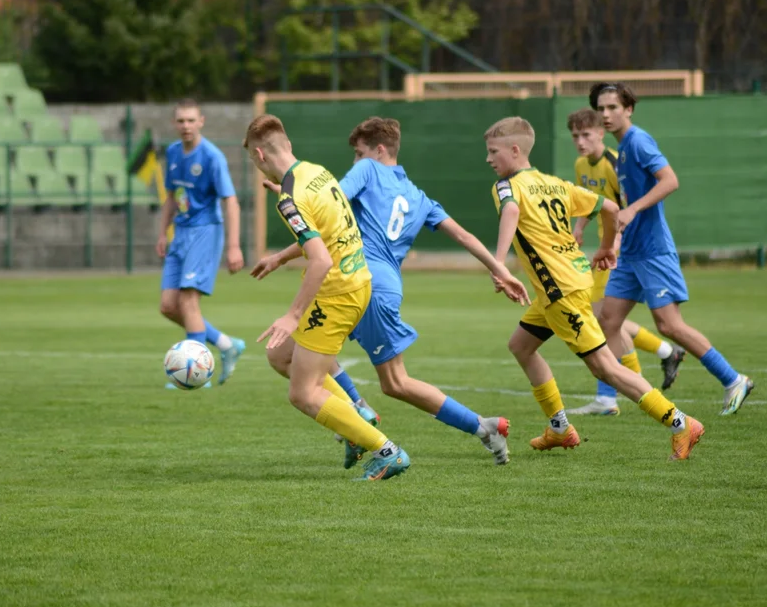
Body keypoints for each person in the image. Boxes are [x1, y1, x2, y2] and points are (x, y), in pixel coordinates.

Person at [253, 117, 530, 466]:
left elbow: (330, 209)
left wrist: (289, 200)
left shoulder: (367, 171)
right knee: (285, 355)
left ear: (378, 151)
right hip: (375, 287)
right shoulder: (420, 198)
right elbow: (464, 237)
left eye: (358, 153)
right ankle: (359, 413)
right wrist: (500, 269)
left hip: (359, 285)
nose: (355, 161)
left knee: (394, 382)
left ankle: (479, 427)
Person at [485, 116, 704, 461]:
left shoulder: (507, 187)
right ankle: (560, 429)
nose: (488, 159)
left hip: (559, 291)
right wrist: (605, 247)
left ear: (515, 150)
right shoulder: (554, 184)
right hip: (565, 284)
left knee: (606, 368)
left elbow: (511, 210)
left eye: (492, 151)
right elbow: (611, 207)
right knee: (521, 346)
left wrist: (498, 265)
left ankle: (681, 423)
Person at [244, 113, 410, 481]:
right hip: (357, 280)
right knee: (279, 353)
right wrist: (279, 257)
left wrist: (292, 315)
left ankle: (386, 451)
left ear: (259, 155)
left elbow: (319, 260)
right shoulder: (316, 172)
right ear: (287, 145)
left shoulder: (290, 199)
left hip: (338, 293)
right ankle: (356, 414)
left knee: (302, 394)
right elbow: (327, 229)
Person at [590, 83, 754, 416]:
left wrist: (633, 209)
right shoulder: (621, 150)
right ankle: (606, 400)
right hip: (632, 253)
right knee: (607, 320)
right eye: (601, 108)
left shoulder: (638, 141)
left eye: (612, 107)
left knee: (669, 325)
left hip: (652, 251)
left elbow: (670, 180)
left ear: (629, 109)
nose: (606, 114)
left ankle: (734, 379)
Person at [563, 108, 686, 416]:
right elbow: (588, 203)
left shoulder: (615, 163)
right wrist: (578, 229)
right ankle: (662, 356)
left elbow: (627, 209)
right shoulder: (581, 165)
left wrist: (616, 245)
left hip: (621, 250)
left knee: (605, 320)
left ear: (600, 133)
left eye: (586, 134)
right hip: (608, 248)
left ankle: (617, 394)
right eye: (575, 135)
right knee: (604, 318)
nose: (580, 141)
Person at [158, 99, 245, 387]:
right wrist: (162, 232)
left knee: (188, 300)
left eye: (191, 120)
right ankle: (226, 343)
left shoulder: (211, 157)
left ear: (201, 121)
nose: (186, 126)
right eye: (181, 121)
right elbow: (171, 196)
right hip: (180, 234)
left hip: (205, 231)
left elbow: (230, 201)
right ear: (175, 123)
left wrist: (234, 246)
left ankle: (197, 374)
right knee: (169, 306)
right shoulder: (172, 153)